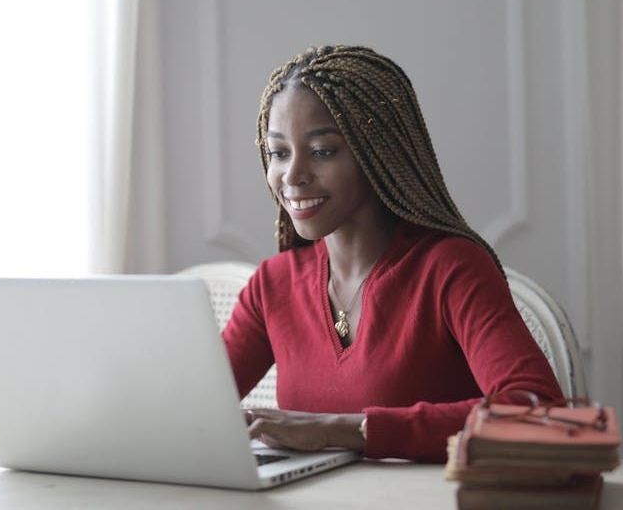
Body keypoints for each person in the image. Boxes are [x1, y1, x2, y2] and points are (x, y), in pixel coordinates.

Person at [221, 45, 563, 463]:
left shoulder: (450, 268)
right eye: (279, 152)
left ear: (377, 152)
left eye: (323, 151)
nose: (292, 176)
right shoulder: (273, 284)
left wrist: (342, 430)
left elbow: (538, 412)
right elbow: (193, 408)